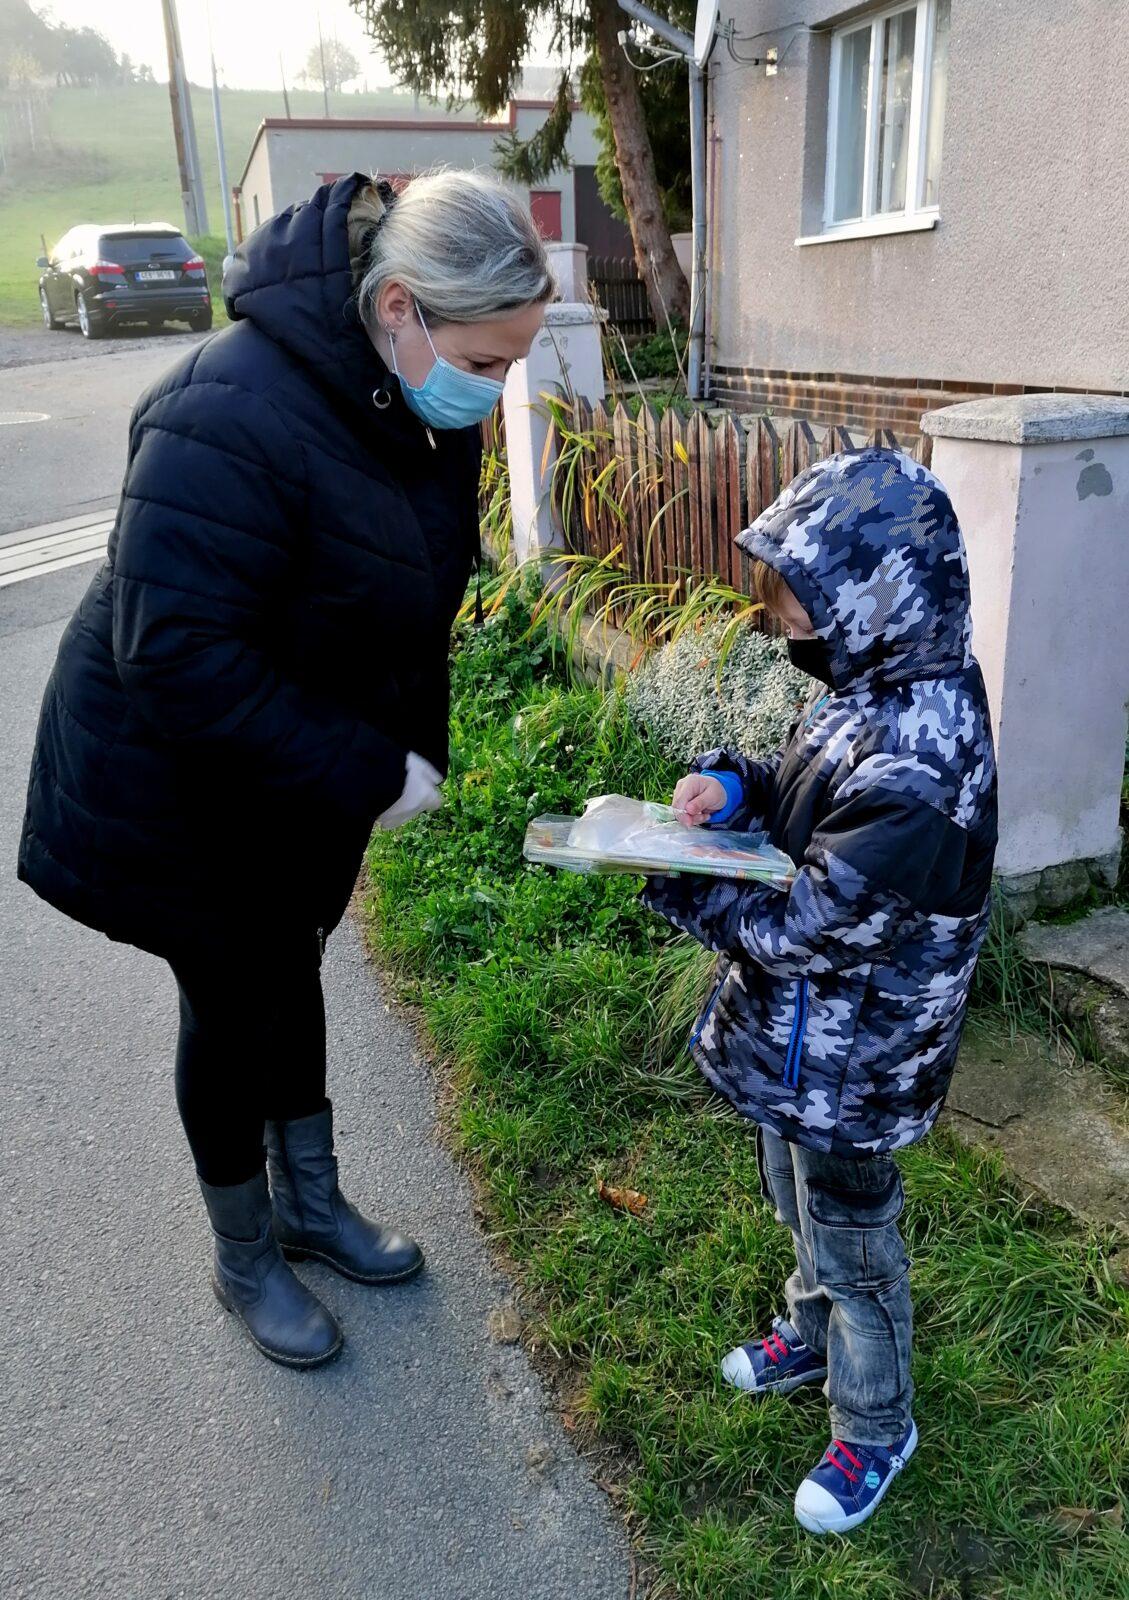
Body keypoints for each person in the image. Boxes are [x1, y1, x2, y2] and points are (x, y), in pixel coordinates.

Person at [17, 170, 555, 1369]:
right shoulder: (221, 411)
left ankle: (310, 1202)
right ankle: (245, 1250)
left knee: (291, 963)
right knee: (229, 996)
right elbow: (176, 662)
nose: (500, 384)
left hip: (293, 767)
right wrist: (370, 769)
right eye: (491, 354)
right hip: (173, 781)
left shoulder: (413, 400)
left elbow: (407, 592)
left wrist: (407, 750)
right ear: (401, 306)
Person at [642, 448, 997, 1534]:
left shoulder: (922, 766)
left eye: (799, 602)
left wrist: (674, 880)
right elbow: (805, 787)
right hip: (805, 1049)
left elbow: (808, 928)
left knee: (852, 1233)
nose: (784, 623)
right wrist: (735, 782)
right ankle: (810, 1328)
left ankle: (876, 1423)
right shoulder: (871, 689)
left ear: (875, 596)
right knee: (795, 1197)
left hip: (854, 1056)